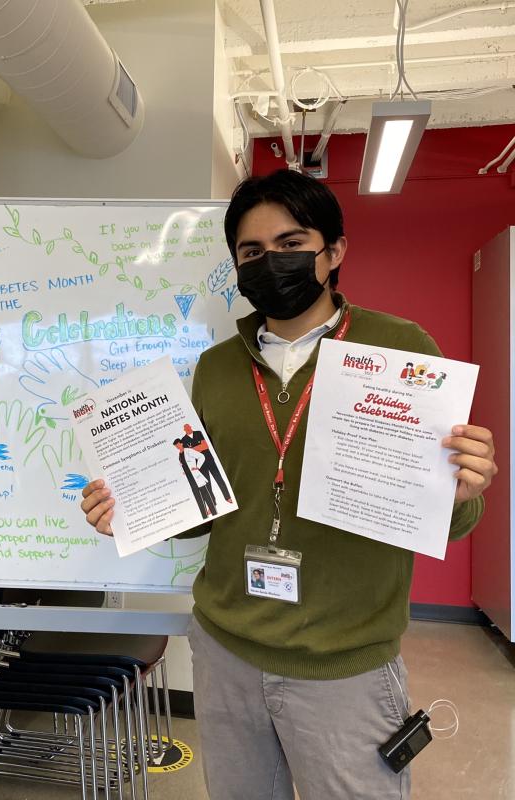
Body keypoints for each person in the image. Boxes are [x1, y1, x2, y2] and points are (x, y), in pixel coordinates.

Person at [81, 169, 497, 800]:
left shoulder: (400, 350)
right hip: (226, 652)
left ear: (334, 253)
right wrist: (134, 507)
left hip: (343, 665)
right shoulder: (217, 368)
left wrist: (461, 493)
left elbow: (446, 517)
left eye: (292, 243)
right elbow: (210, 505)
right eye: (252, 252)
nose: (271, 261)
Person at [180, 423, 233, 503]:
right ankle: (213, 503)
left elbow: (205, 446)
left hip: (209, 459)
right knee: (207, 484)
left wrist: (193, 449)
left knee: (218, 478)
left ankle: (228, 497)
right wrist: (198, 448)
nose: (188, 429)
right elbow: (188, 454)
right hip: (199, 464)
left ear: (191, 427)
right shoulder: (183, 440)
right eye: (186, 428)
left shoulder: (198, 433)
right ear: (184, 430)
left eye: (189, 427)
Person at [174, 438, 218, 519]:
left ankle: (214, 512)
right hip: (190, 478)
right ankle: (204, 516)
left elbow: (201, 456)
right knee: (198, 497)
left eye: (178, 445)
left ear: (181, 443)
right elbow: (181, 464)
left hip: (196, 476)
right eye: (176, 446)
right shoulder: (179, 455)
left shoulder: (188, 450)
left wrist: (197, 467)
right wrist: (183, 471)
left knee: (206, 495)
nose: (177, 447)